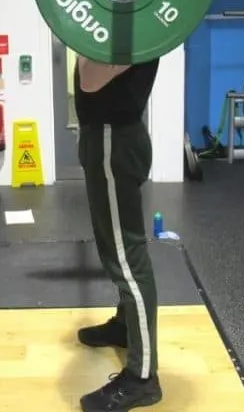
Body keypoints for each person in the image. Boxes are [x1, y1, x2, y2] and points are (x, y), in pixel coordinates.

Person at [73, 56, 162, 411]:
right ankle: (126, 327)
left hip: (114, 141)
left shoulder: (134, 29)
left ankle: (143, 378)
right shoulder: (117, 23)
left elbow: (89, 79)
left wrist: (83, 46)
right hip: (106, 137)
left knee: (127, 259)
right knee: (114, 247)